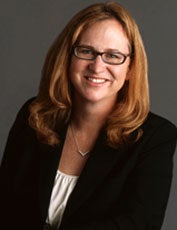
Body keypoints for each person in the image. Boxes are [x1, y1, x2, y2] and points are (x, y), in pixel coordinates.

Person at [0, 1, 177, 230]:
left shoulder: (155, 137)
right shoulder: (34, 116)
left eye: (113, 56)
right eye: (86, 51)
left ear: (131, 69)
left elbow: (138, 224)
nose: (97, 66)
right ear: (68, 57)